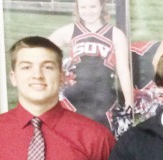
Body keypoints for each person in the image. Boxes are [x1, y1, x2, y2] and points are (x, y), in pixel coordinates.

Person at [48, 0, 133, 133]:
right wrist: (59, 70)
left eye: (93, 6)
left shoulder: (115, 34)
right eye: (83, 7)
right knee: (73, 134)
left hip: (103, 97)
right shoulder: (70, 30)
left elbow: (123, 70)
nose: (88, 11)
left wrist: (129, 100)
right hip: (74, 97)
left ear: (101, 7)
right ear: (78, 8)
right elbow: (43, 50)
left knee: (104, 136)